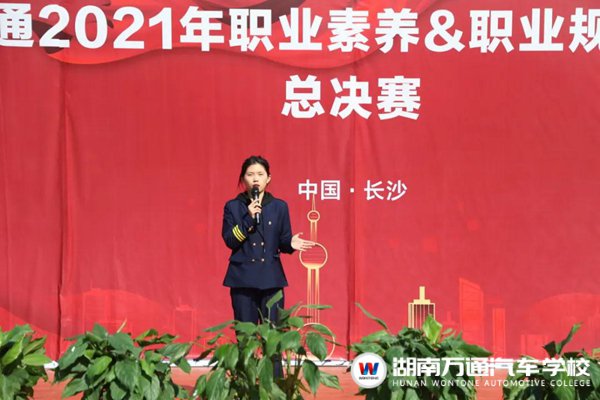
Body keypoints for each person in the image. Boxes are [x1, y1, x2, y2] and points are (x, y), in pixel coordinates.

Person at [222, 155, 314, 326]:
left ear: (268, 178)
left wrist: (290, 244)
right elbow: (230, 240)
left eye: (260, 174)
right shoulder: (233, 206)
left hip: (271, 278)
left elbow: (282, 240)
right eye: (250, 174)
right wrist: (248, 218)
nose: (255, 179)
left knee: (274, 333)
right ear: (243, 178)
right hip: (242, 278)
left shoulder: (279, 206)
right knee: (245, 335)